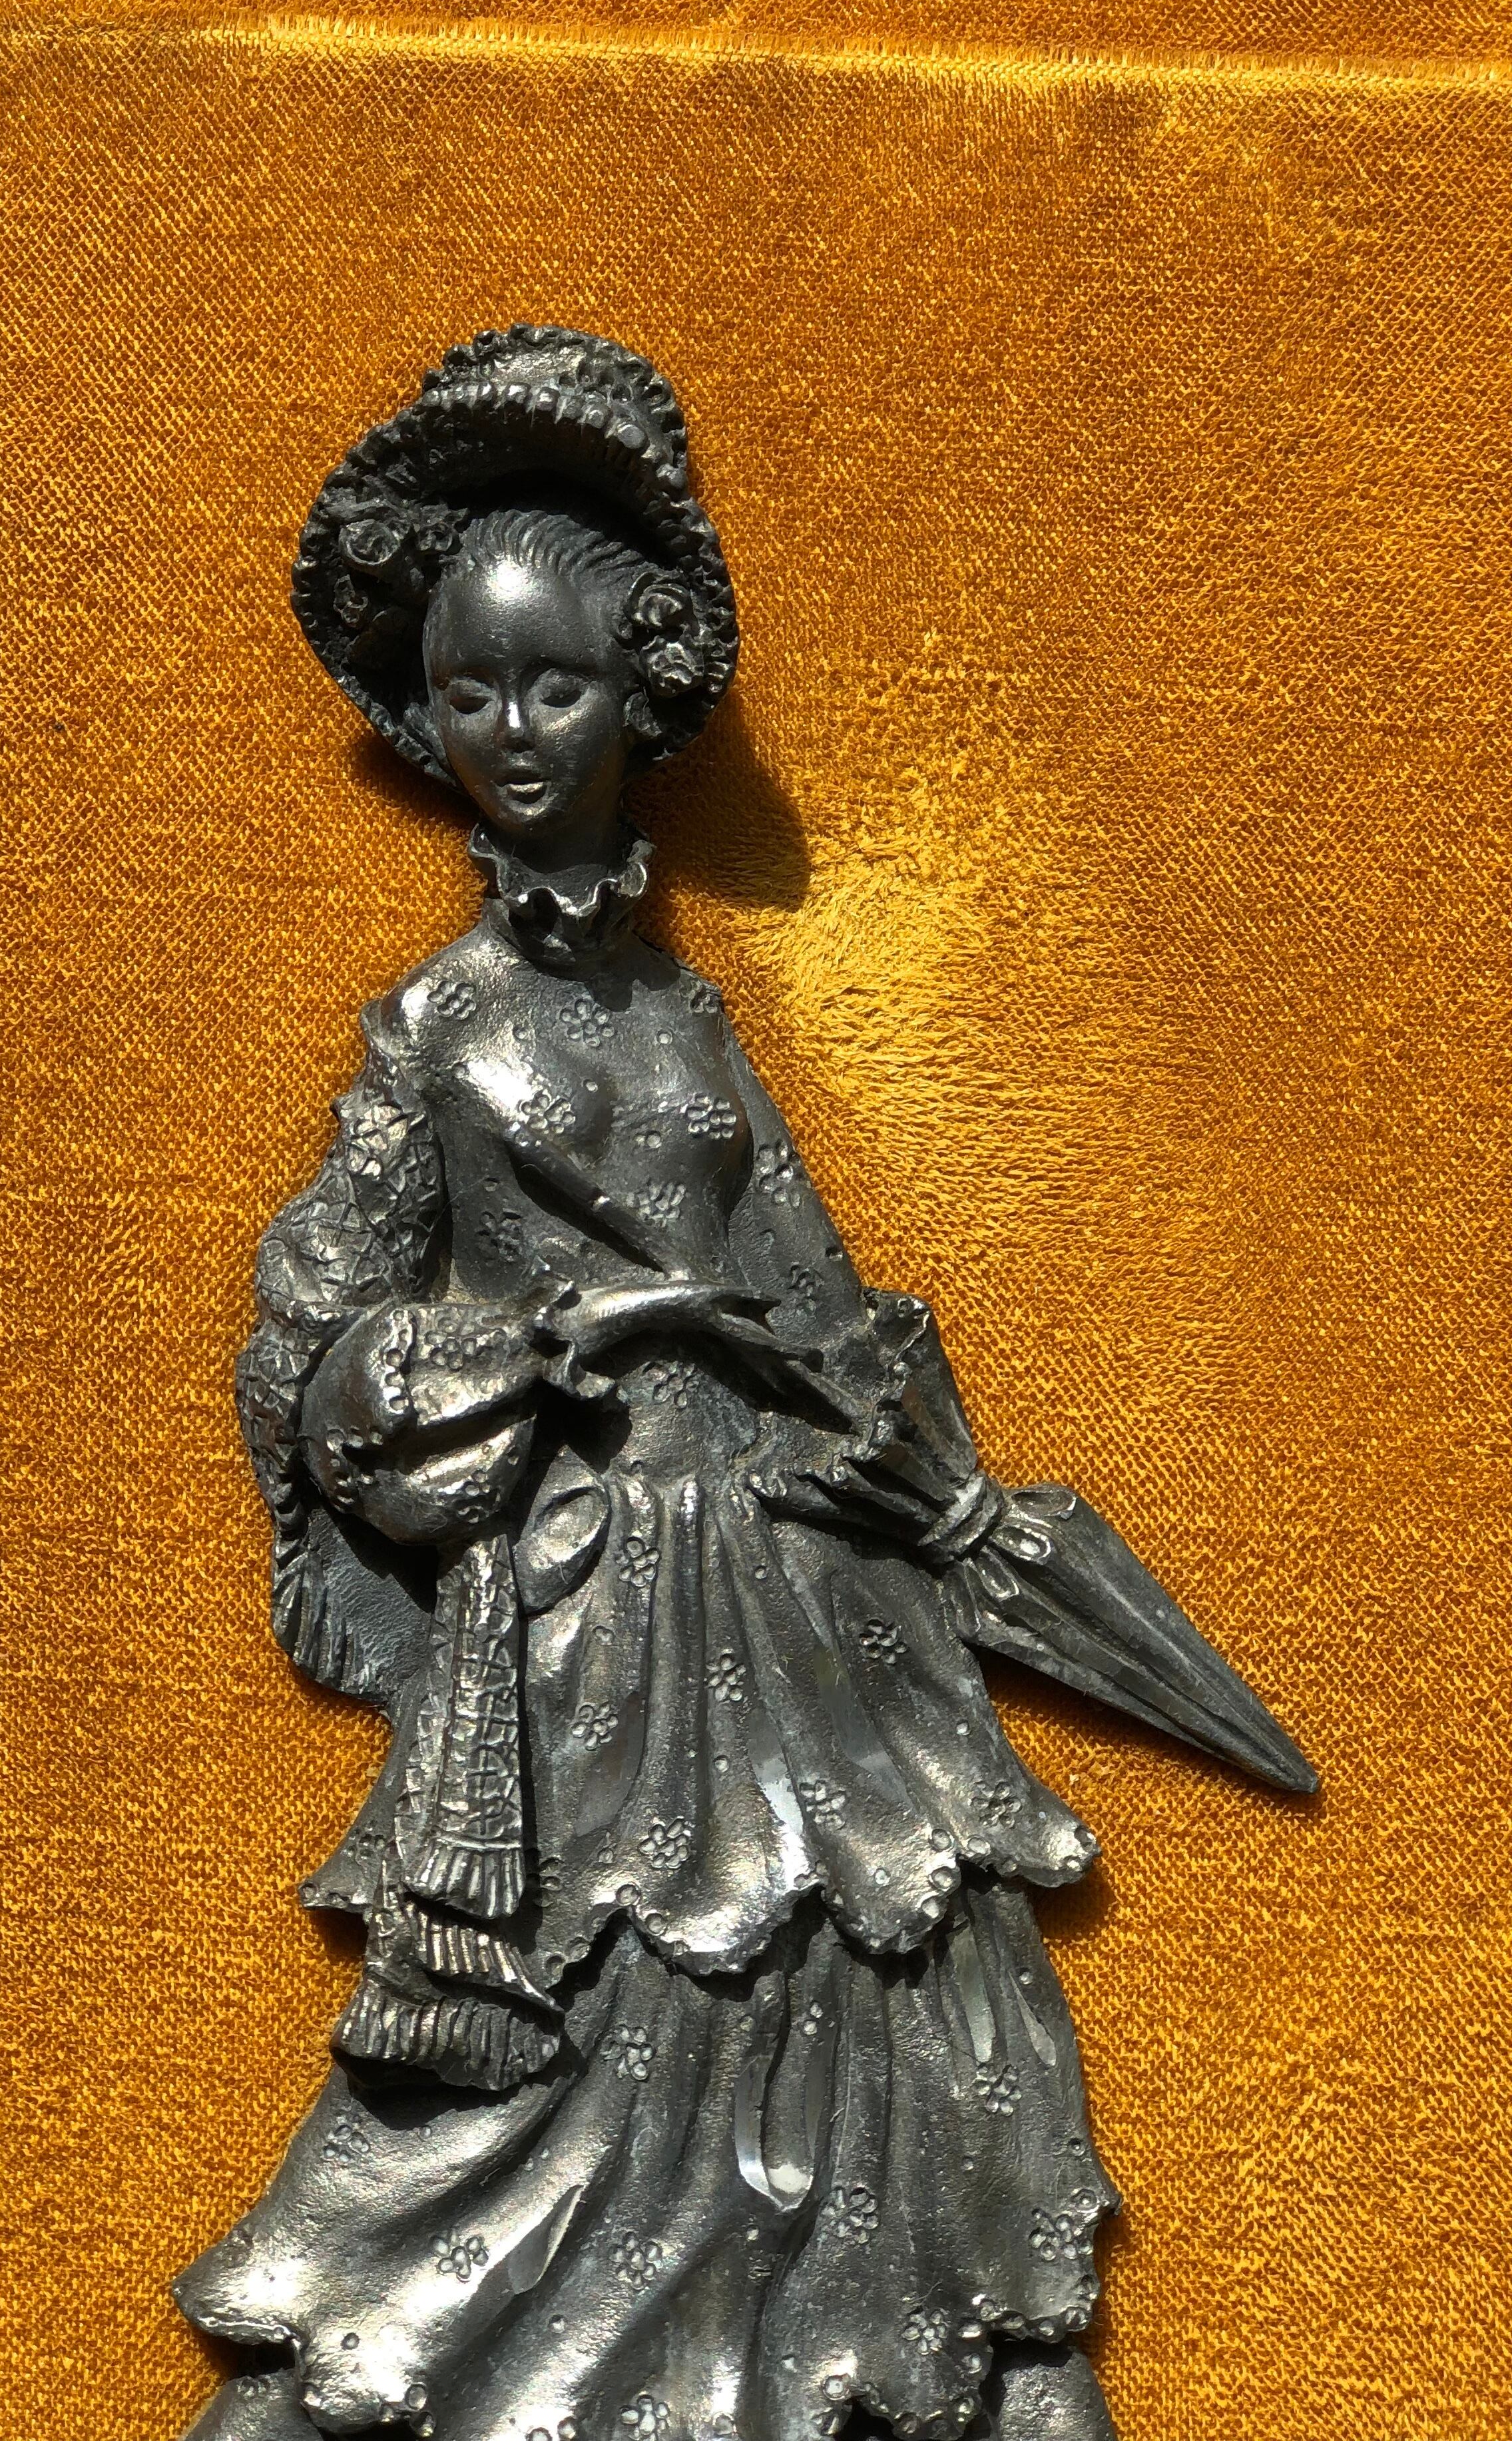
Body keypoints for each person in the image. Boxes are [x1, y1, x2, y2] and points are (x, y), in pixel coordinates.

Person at [176, 328, 1313, 2441]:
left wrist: (933, 1480)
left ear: (643, 691)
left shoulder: (694, 1027)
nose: (514, 733)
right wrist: (512, 1354)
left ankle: (955, 2376)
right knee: (550, 2082)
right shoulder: (432, 1034)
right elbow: (315, 1347)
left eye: (557, 685)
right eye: (469, 693)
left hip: (801, 1620)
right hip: (588, 1651)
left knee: (895, 2018)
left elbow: (818, 1301)